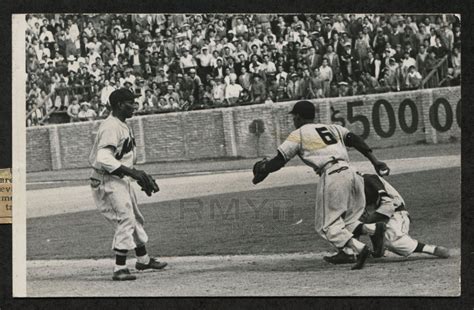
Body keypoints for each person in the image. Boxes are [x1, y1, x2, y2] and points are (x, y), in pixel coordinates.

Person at [251, 100, 390, 270]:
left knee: (326, 226)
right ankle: (372, 232)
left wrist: (262, 168)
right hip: (353, 173)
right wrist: (375, 162)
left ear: (299, 117)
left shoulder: (299, 133)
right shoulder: (332, 128)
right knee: (347, 221)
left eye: (294, 116)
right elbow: (355, 140)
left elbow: (279, 161)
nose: (294, 119)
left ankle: (359, 249)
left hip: (332, 174)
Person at [89, 88, 167, 281]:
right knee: (126, 219)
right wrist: (134, 173)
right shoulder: (111, 126)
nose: (134, 106)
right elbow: (104, 157)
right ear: (119, 105)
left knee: (135, 218)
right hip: (106, 179)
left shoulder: (122, 124)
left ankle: (143, 259)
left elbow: (123, 158)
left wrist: (137, 177)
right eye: (130, 102)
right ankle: (119, 268)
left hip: (118, 178)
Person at [323, 173, 450, 264]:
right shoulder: (350, 190)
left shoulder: (367, 179)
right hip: (380, 217)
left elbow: (385, 209)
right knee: (340, 224)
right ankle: (348, 253)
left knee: (394, 242)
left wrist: (366, 227)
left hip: (397, 215)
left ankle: (432, 249)